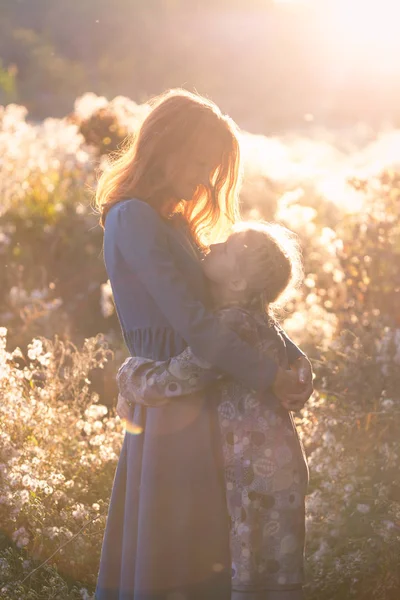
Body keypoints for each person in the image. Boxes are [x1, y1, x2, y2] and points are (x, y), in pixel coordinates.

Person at [95, 88, 313, 600]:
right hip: (172, 400)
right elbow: (195, 322)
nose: (202, 178)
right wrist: (267, 376)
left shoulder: (172, 221)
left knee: (204, 548)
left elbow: (237, 315)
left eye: (210, 168)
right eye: (196, 161)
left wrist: (292, 362)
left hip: (197, 394)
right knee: (174, 551)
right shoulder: (133, 217)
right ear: (162, 146)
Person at [117, 221, 310, 600]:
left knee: (252, 579)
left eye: (228, 247)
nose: (215, 243)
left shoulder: (232, 324)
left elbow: (180, 377)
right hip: (277, 470)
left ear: (238, 284)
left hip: (256, 476)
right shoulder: (261, 322)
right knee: (276, 578)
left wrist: (129, 373)